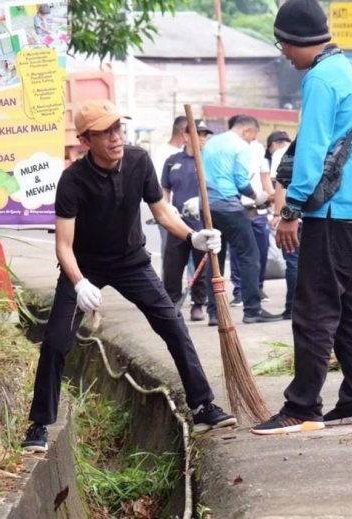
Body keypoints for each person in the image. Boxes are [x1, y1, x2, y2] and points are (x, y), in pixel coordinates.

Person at [21, 100, 234, 453]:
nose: (116, 137)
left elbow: (161, 211)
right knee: (57, 340)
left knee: (173, 326)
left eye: (118, 128)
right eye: (105, 132)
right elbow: (63, 246)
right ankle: (40, 423)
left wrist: (192, 236)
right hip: (85, 266)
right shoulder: (73, 180)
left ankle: (202, 406)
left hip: (132, 262)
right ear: (87, 140)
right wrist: (79, 282)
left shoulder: (138, 161)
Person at [251, 0, 352, 435]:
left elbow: (312, 149)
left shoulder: (321, 79)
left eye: (283, 45)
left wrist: (291, 208)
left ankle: (302, 406)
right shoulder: (349, 70)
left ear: (296, 41)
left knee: (313, 310)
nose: (284, 54)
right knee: (350, 305)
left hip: (333, 211)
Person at [194, 115, 279, 325]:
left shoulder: (212, 143)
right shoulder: (241, 146)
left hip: (207, 206)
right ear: (247, 131)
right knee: (249, 255)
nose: (252, 141)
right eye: (253, 137)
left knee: (215, 259)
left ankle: (215, 313)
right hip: (229, 206)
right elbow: (241, 181)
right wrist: (257, 196)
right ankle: (252, 310)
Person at [161, 119, 214, 321]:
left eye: (204, 135)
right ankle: (171, 303)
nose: (201, 139)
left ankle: (198, 303)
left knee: (201, 266)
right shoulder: (173, 161)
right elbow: (165, 189)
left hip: (201, 223)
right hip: (178, 223)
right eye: (197, 134)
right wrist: (167, 208)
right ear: (185, 136)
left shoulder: (207, 160)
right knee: (173, 265)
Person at [229, 125, 274, 307]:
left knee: (262, 252)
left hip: (259, 210)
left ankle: (258, 286)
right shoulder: (233, 151)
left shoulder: (259, 151)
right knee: (238, 253)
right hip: (239, 209)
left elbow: (266, 179)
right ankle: (239, 290)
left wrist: (272, 197)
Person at [267, 131, 298, 320]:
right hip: (313, 215)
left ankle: (292, 308)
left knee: (293, 263)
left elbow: (281, 185)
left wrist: (278, 214)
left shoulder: (282, 154)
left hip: (291, 216)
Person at [151, 116, 187, 262]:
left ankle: (193, 285)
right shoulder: (162, 154)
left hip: (189, 213)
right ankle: (166, 285)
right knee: (170, 255)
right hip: (168, 213)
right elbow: (158, 185)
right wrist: (165, 209)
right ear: (183, 132)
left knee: (194, 252)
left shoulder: (188, 154)